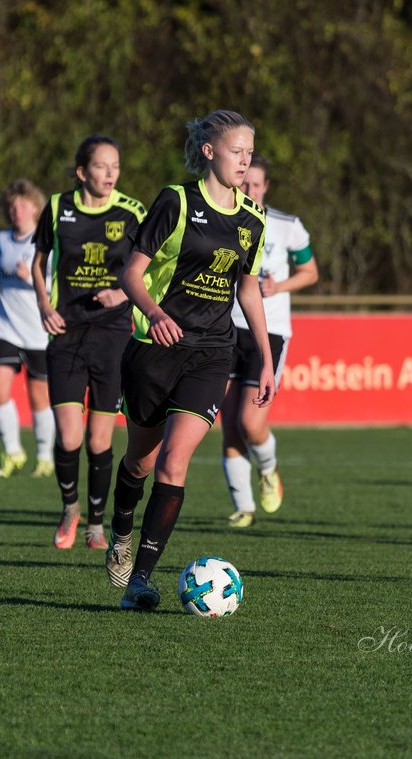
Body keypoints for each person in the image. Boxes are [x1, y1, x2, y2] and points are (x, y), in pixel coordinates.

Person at [104, 109, 272, 610]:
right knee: (140, 461)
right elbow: (131, 274)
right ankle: (120, 532)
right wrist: (153, 313)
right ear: (209, 152)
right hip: (154, 352)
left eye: (249, 152)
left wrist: (264, 357)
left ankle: (141, 581)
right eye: (236, 151)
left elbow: (248, 288)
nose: (244, 160)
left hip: (212, 352)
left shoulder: (253, 219)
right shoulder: (174, 202)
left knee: (175, 462)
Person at [31, 136, 147, 550]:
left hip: (113, 335)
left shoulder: (133, 212)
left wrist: (125, 293)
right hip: (66, 332)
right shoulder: (59, 206)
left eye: (115, 165)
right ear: (82, 172)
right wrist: (44, 304)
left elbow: (154, 265)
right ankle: (69, 508)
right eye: (101, 166)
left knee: (100, 440)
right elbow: (39, 261)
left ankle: (96, 526)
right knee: (69, 437)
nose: (110, 173)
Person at [220, 155, 319, 528]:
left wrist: (279, 285)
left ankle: (268, 467)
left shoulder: (287, 226)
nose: (250, 190)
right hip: (226, 328)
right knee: (228, 422)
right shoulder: (224, 218)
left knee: (251, 421)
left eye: (257, 185)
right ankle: (243, 507)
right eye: (245, 183)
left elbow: (310, 272)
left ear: (266, 187)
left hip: (270, 331)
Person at [0, 179, 56, 478]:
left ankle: (44, 457)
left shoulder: (45, 240)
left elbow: (55, 284)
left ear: (36, 208)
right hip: (6, 326)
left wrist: (30, 278)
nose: (17, 211)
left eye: (23, 205)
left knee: (39, 397)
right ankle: (12, 452)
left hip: (37, 329)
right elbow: (2, 269)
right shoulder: (2, 239)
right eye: (12, 206)